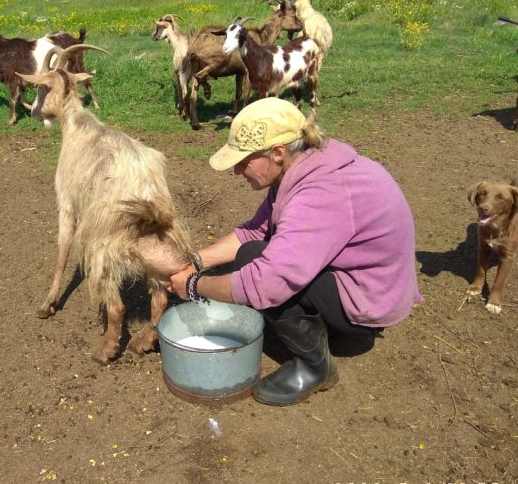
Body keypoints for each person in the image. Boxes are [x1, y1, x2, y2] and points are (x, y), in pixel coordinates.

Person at [169, 97, 422, 406]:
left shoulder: (321, 190)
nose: (236, 171)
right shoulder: (301, 166)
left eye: (243, 160)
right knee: (255, 250)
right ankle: (322, 328)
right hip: (360, 279)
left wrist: (194, 287)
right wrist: (194, 262)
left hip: (368, 301)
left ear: (277, 153)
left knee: (256, 262)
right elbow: (255, 230)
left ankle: (315, 368)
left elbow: (268, 282)